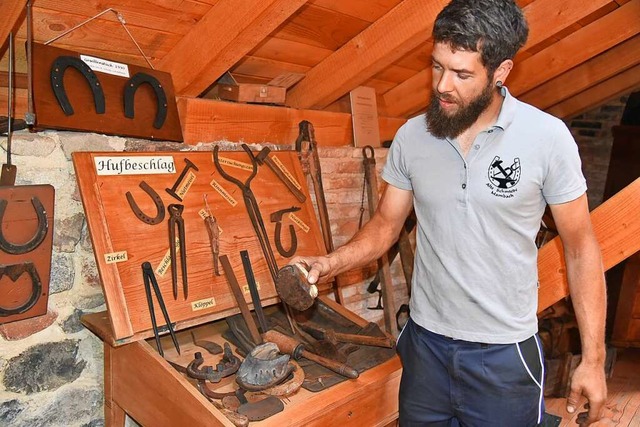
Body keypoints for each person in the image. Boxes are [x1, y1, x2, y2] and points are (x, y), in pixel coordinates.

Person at [290, 0, 607, 425]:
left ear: (501, 72)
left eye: (462, 74)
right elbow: (386, 225)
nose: (442, 85)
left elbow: (581, 249)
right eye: (437, 66)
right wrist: (328, 264)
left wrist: (593, 358)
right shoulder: (412, 136)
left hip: (504, 355)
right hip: (426, 349)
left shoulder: (547, 139)